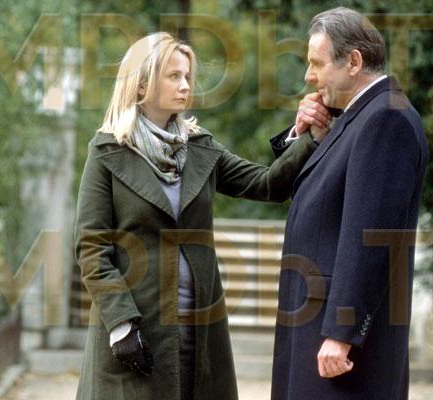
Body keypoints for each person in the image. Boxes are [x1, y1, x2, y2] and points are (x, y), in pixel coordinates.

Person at [74, 32, 324, 400]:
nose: (185, 85)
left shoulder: (200, 146)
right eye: (174, 76)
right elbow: (92, 247)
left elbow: (266, 185)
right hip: (135, 331)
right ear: (142, 83)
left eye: (188, 76)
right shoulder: (107, 151)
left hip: (200, 329)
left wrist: (307, 136)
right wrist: (121, 324)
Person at [269, 7, 428, 400]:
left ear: (353, 62)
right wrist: (307, 133)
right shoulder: (359, 116)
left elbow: (371, 238)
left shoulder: (386, 120)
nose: (308, 77)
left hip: (339, 346)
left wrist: (342, 334)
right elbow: (303, 189)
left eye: (316, 64)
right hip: (317, 330)